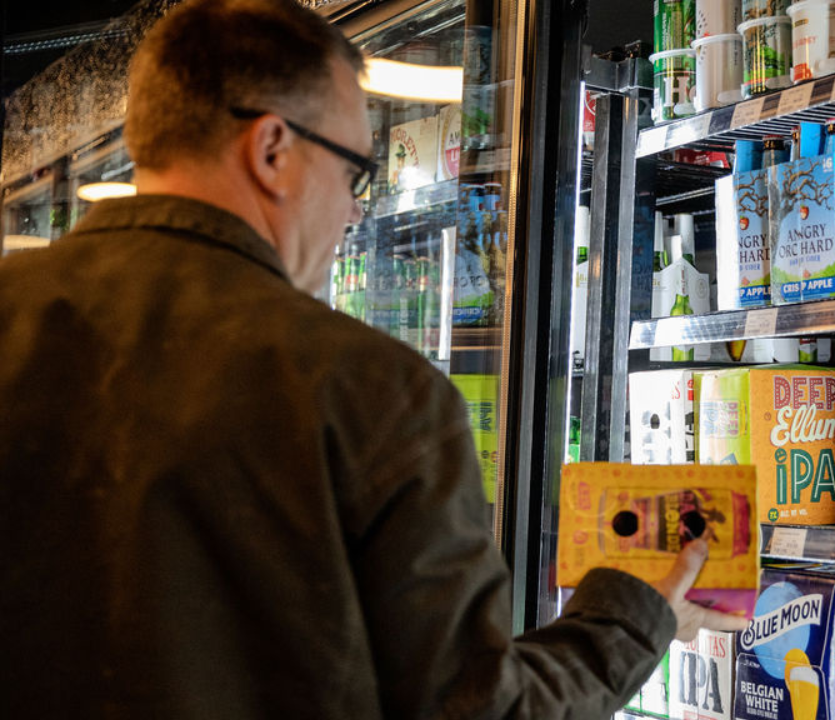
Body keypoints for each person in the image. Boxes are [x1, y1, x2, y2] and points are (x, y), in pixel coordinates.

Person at [0, 0, 747, 717]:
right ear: (271, 150)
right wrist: (633, 614)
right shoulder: (372, 391)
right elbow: (473, 710)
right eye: (354, 174)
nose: (356, 212)